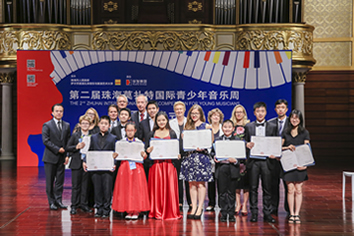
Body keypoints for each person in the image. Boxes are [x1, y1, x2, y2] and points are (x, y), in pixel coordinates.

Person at [212, 120, 254, 222]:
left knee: (231, 192)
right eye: (225, 127)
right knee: (222, 193)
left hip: (233, 169)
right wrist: (214, 157)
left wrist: (236, 161)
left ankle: (231, 214)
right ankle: (223, 212)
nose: (227, 129)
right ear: (222, 128)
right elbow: (213, 152)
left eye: (229, 127)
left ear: (233, 128)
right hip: (221, 168)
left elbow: (242, 156)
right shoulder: (217, 140)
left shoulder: (237, 141)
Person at [245, 102, 277, 223]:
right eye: (258, 111)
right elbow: (245, 141)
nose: (260, 113)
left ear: (266, 112)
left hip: (267, 162)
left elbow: (275, 142)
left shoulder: (272, 126)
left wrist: (275, 153)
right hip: (253, 162)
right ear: (254, 113)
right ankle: (254, 213)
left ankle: (267, 213)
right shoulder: (249, 126)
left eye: (262, 111)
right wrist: (246, 144)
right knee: (253, 188)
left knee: (267, 188)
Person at [146, 111, 182, 220]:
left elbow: (177, 148)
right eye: (159, 120)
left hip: (169, 165)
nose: (161, 122)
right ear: (156, 121)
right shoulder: (151, 134)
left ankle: (170, 211)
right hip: (156, 166)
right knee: (156, 189)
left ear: (167, 121)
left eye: (163, 120)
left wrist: (178, 154)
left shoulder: (172, 133)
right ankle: (156, 211)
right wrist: (147, 150)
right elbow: (146, 150)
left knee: (169, 189)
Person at [180, 104, 213, 220]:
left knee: (200, 183)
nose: (194, 115)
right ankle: (193, 207)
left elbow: (211, 142)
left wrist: (204, 146)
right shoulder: (187, 126)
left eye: (196, 113)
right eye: (192, 113)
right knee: (191, 183)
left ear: (201, 114)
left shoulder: (206, 126)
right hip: (190, 157)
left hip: (202, 157)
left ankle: (200, 207)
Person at [112, 121, 150, 220]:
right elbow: (117, 155)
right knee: (125, 188)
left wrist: (144, 155)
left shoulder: (139, 143)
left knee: (136, 188)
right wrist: (114, 156)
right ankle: (127, 210)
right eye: (128, 130)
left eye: (131, 130)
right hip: (124, 167)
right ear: (125, 131)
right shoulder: (120, 143)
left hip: (137, 167)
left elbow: (143, 157)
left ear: (135, 131)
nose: (130, 132)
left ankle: (135, 210)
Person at [83, 115, 117, 218]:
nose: (103, 126)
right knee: (97, 189)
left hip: (108, 168)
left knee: (107, 189)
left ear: (109, 126)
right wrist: (85, 161)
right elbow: (88, 150)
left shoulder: (114, 138)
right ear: (98, 124)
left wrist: (115, 163)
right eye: (102, 123)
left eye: (106, 124)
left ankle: (106, 210)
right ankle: (99, 209)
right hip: (96, 167)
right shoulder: (93, 137)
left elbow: (116, 152)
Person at [282, 109, 310, 224]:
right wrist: (287, 147)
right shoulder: (285, 132)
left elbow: (307, 150)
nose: (294, 120)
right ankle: (291, 214)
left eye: (297, 118)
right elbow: (279, 148)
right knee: (290, 189)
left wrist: (305, 165)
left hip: (300, 165)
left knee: (298, 190)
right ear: (290, 119)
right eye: (293, 118)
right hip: (289, 165)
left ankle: (297, 214)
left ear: (300, 120)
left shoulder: (305, 132)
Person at [42, 104, 71, 210]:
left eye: (61, 111)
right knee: (50, 181)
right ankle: (51, 202)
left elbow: (68, 141)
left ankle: (59, 201)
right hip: (50, 157)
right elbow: (46, 140)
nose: (59, 113)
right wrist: (57, 149)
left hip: (62, 158)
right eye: (57, 111)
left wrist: (67, 154)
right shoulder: (47, 125)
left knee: (60, 181)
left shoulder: (66, 125)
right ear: (52, 113)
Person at [66, 115, 93, 214]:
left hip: (88, 163)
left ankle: (84, 204)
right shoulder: (75, 135)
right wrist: (76, 147)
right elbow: (67, 147)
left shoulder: (92, 136)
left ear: (90, 125)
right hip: (76, 163)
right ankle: (74, 205)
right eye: (83, 123)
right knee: (75, 186)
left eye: (87, 123)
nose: (85, 125)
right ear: (80, 124)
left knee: (85, 185)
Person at [269, 99, 290, 216]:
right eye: (278, 107)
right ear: (275, 109)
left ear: (286, 109)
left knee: (288, 183)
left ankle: (288, 207)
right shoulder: (270, 123)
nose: (280, 109)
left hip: (287, 158)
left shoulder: (292, 123)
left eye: (283, 107)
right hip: (273, 159)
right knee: (273, 184)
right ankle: (273, 207)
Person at [169, 101, 192, 211]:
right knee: (178, 179)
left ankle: (191, 202)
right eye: (177, 109)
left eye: (180, 109)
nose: (179, 111)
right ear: (174, 111)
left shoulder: (190, 122)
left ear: (184, 110)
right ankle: (179, 202)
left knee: (188, 179)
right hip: (176, 154)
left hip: (188, 154)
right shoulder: (170, 123)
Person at [230, 104, 250, 216]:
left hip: (246, 159)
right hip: (235, 159)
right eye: (237, 112)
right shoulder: (231, 126)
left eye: (240, 112)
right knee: (236, 184)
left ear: (244, 114)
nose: (239, 114)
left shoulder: (249, 125)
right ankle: (238, 204)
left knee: (246, 184)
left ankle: (245, 205)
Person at [205, 108, 224, 212]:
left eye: (218, 116)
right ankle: (211, 203)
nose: (216, 117)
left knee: (221, 182)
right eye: (214, 115)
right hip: (209, 158)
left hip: (222, 159)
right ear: (210, 117)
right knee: (211, 182)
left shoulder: (224, 128)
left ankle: (221, 203)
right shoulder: (207, 129)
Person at [138, 100, 159, 180]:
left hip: (160, 156)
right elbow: (140, 139)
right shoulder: (142, 123)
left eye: (153, 108)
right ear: (147, 110)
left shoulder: (162, 122)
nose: (152, 110)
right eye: (149, 109)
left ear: (157, 109)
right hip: (147, 157)